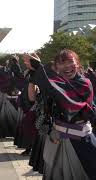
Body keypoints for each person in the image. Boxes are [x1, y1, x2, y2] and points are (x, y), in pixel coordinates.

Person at [24, 49, 96, 180]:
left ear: (78, 64)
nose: (67, 66)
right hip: (56, 140)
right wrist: (35, 72)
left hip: (80, 142)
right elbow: (34, 99)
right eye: (62, 63)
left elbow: (66, 98)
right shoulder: (56, 84)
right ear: (56, 67)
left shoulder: (84, 83)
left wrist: (41, 69)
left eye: (70, 62)